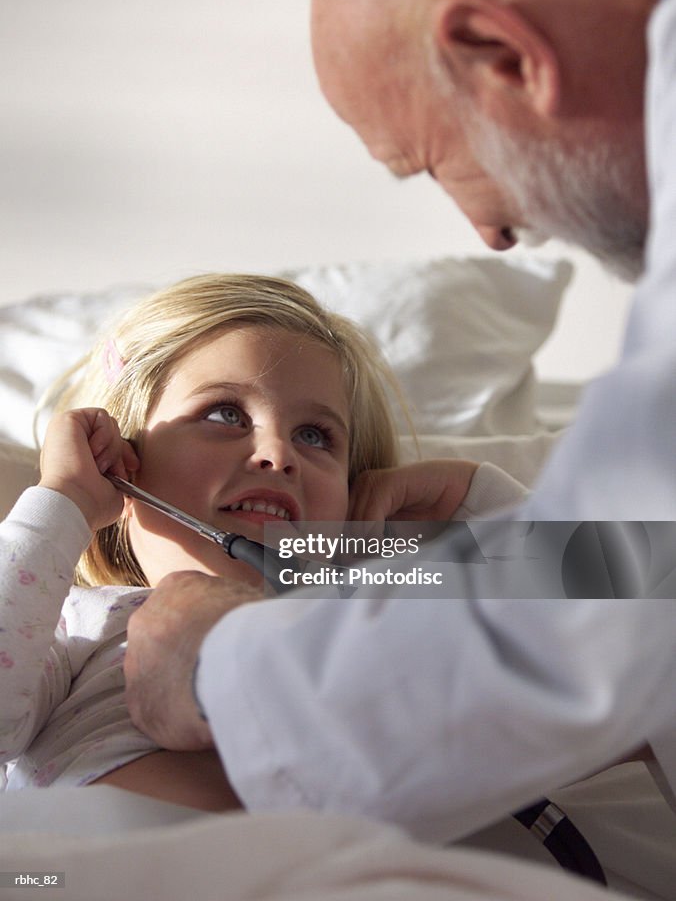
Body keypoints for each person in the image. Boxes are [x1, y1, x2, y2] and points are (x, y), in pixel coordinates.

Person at [123, 0, 676, 849]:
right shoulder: (63, 633)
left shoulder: (375, 592)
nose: (491, 235)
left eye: (432, 159)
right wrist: (504, 523)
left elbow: (616, 630)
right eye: (218, 414)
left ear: (504, 56)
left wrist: (223, 665)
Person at [1, 270, 492, 809]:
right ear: (120, 464)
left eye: (314, 435)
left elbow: (592, 605)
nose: (279, 453)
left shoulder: (375, 601)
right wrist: (65, 500)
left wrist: (475, 501)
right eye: (225, 413)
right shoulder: (77, 623)